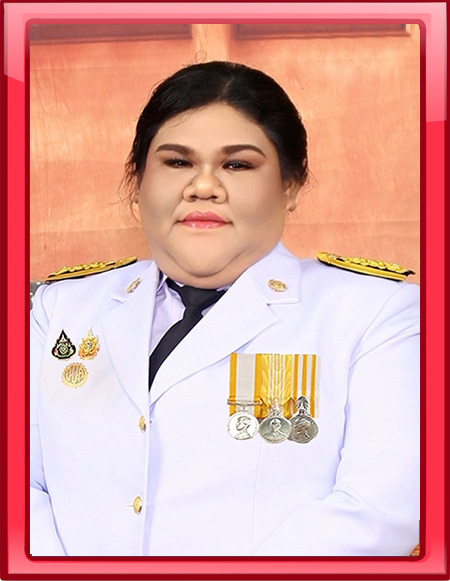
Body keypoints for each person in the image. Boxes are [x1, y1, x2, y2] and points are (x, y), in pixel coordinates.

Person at [30, 61, 420, 557]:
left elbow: (381, 511)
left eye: (237, 165)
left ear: (290, 184)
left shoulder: (376, 312)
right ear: (138, 181)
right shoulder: (59, 308)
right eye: (177, 162)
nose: (203, 186)